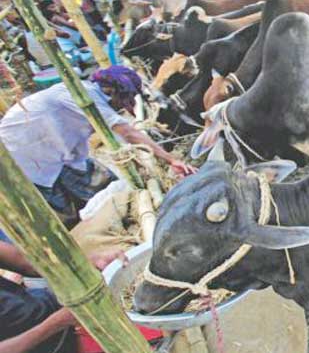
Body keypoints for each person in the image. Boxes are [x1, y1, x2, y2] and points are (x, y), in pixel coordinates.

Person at [0, 66, 196, 227]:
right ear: (112, 91)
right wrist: (171, 159)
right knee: (62, 214)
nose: (122, 107)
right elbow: (128, 133)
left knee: (106, 182)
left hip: (55, 153)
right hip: (23, 160)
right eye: (124, 101)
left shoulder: (86, 93)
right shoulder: (86, 96)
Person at [0, 233, 123, 353]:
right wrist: (57, 323)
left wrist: (81, 263)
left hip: (42, 307)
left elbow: (24, 262)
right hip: (42, 343)